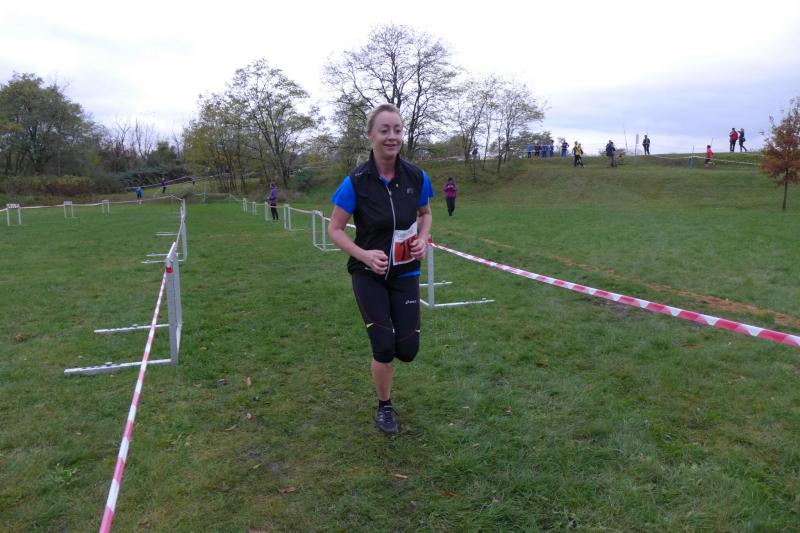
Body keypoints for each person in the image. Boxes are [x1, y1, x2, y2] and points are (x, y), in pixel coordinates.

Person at [328, 103, 434, 435]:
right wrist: (363, 254)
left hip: (406, 272)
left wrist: (422, 239)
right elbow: (334, 229)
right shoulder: (356, 182)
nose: (392, 136)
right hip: (368, 274)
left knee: (408, 351)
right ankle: (385, 406)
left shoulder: (416, 177)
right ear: (371, 135)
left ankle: (392, 368)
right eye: (384, 130)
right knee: (384, 346)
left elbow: (426, 214)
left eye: (397, 130)